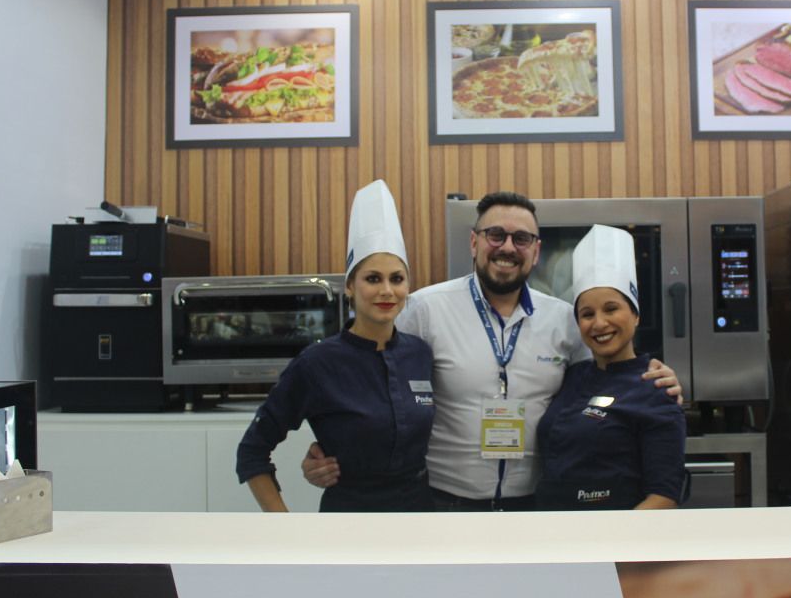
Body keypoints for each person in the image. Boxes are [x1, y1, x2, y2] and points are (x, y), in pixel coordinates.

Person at [304, 190, 682, 510]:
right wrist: (331, 444)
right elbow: (366, 378)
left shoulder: (565, 320)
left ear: (536, 251)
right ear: (474, 242)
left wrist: (654, 377)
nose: (507, 247)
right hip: (443, 504)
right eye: (495, 234)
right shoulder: (424, 310)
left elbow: (608, 378)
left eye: (521, 239)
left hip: (536, 506)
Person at [235, 180, 435, 512]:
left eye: (397, 279)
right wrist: (284, 528)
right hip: (348, 520)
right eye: (373, 278)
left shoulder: (420, 353)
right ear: (349, 287)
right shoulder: (318, 363)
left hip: (419, 517)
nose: (387, 290)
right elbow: (251, 452)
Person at [535, 224, 686, 510]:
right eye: (587, 314)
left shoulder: (656, 388)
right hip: (553, 536)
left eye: (611, 308)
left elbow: (664, 497)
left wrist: (612, 544)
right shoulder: (572, 376)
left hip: (613, 543)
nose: (600, 323)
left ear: (635, 314)